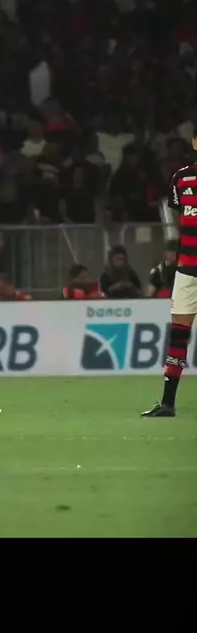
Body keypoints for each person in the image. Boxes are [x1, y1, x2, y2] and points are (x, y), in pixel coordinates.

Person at [143, 125, 197, 417]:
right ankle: (167, 403)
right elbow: (178, 222)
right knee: (178, 335)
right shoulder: (181, 178)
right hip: (188, 269)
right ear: (194, 143)